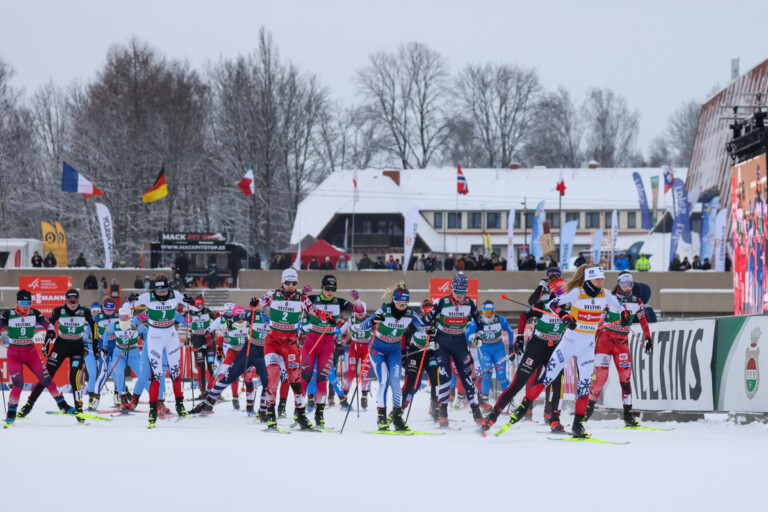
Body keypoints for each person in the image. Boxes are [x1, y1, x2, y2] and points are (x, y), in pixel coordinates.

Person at [486, 265, 629, 439]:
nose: (601, 282)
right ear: (590, 280)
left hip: (587, 346)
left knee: (583, 386)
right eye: (598, 279)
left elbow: (619, 305)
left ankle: (576, 424)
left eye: (602, 279)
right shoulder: (577, 292)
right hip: (565, 344)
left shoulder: (604, 294)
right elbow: (553, 304)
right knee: (545, 379)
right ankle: (521, 409)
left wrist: (624, 313)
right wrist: (564, 316)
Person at [482, 271, 569, 433]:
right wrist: (520, 338)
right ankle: (493, 416)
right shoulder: (544, 306)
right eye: (559, 292)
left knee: (557, 383)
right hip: (537, 346)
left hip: (555, 348)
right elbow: (523, 316)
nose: (563, 295)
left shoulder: (570, 308)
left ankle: (554, 419)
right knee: (518, 383)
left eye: (564, 292)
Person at [249, 268, 330, 430]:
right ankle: (270, 415)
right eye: (288, 283)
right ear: (282, 282)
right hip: (272, 342)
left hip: (290, 344)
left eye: (294, 283)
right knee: (273, 378)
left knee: (296, 380)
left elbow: (315, 310)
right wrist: (254, 303)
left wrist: (328, 317)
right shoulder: (273, 294)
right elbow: (259, 303)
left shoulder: (301, 299)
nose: (291, 286)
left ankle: (300, 415)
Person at [125, 274, 196, 428]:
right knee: (156, 376)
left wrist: (192, 303)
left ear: (168, 287)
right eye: (159, 289)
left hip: (171, 337)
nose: (162, 292)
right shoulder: (147, 297)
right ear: (154, 288)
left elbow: (194, 308)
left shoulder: (175, 295)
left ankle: (180, 406)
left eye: (165, 289)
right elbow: (126, 308)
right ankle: (152, 410)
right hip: (154, 339)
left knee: (175, 374)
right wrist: (129, 300)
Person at [16, 289, 97, 421]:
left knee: (74, 377)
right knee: (46, 377)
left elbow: (94, 326)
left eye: (75, 301)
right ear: (66, 301)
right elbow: (50, 325)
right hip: (61, 346)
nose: (73, 304)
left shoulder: (85, 311)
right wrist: (46, 343)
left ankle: (79, 409)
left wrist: (96, 344)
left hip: (77, 347)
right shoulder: (59, 310)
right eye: (70, 301)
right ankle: (28, 405)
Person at [586, 272, 653, 427]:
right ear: (619, 284)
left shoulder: (637, 301)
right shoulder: (609, 298)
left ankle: (628, 416)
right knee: (601, 379)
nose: (628, 287)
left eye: (630, 284)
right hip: (604, 342)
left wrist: (648, 339)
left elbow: (643, 321)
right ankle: (585, 414)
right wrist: (591, 341)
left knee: (626, 380)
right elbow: (599, 321)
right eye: (624, 284)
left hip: (622, 344)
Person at [1, 290, 76, 426]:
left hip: (31, 352)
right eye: (23, 303)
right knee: (18, 385)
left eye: (28, 303)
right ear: (17, 302)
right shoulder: (8, 314)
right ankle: (11, 412)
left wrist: (51, 330)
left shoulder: (34, 313)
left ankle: (63, 405)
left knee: (46, 379)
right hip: (14, 354)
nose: (25, 306)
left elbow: (47, 323)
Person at [358, 282, 425, 431]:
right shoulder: (385, 310)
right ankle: (381, 418)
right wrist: (375, 320)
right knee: (384, 381)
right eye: (399, 303)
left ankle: (396, 418)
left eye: (405, 304)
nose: (402, 307)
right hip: (377, 349)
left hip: (394, 351)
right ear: (394, 301)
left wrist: (431, 332)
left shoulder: (410, 314)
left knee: (395, 383)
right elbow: (363, 326)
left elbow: (424, 328)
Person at [422, 272, 486, 428]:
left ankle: (476, 412)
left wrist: (479, 336)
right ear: (451, 289)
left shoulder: (469, 303)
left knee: (467, 377)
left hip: (459, 342)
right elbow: (425, 321)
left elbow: (480, 323)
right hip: (442, 344)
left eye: (463, 292)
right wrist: (430, 333)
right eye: (457, 291)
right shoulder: (441, 303)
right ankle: (443, 412)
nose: (459, 295)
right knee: (445, 377)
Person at [300, 275, 362, 427]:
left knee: (322, 380)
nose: (330, 292)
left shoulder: (339, 302)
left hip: (328, 344)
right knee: (305, 378)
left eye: (333, 289)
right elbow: (296, 304)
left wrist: (357, 300)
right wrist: (302, 294)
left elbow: (359, 310)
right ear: (322, 288)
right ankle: (299, 413)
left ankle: (319, 415)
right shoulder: (313, 299)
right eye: (327, 288)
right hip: (311, 341)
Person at [190, 306, 271, 419]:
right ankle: (209, 401)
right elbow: (220, 339)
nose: (240, 321)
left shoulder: (249, 323)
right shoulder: (229, 324)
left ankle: (247, 405)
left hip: (246, 352)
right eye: (237, 317)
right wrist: (219, 353)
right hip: (230, 353)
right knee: (221, 375)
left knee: (249, 380)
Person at [465, 301, 515, 410]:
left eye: (491, 312)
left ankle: (508, 402)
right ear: (483, 312)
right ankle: (485, 404)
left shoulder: (500, 319)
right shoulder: (477, 322)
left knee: (502, 376)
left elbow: (511, 332)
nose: (489, 314)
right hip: (484, 350)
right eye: (486, 312)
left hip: (499, 350)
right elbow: (467, 334)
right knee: (487, 375)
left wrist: (511, 348)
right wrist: (468, 348)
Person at [401, 300, 440, 421]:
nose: (431, 318)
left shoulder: (438, 323)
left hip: (430, 354)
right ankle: (399, 409)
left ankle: (436, 408)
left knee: (435, 379)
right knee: (411, 384)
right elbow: (404, 336)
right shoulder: (417, 322)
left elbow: (445, 338)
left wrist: (438, 344)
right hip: (416, 353)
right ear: (423, 314)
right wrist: (403, 354)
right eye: (427, 314)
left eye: (432, 314)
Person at [102, 306, 143, 409]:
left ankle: (154, 400)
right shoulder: (115, 325)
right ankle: (123, 399)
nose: (123, 319)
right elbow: (106, 332)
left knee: (142, 376)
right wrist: (105, 346)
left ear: (130, 317)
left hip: (133, 354)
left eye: (125, 317)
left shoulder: (136, 325)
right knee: (119, 374)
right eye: (121, 317)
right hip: (119, 353)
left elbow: (146, 332)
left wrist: (146, 347)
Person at [86, 298, 117, 410]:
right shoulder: (94, 318)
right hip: (93, 349)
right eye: (107, 309)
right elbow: (86, 332)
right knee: (96, 374)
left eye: (111, 309)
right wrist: (84, 344)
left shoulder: (116, 317)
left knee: (115, 372)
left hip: (112, 347)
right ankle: (93, 398)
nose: (109, 311)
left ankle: (119, 395)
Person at [342, 302, 373, 409]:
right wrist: (336, 340)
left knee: (364, 373)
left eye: (363, 314)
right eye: (359, 315)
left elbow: (383, 325)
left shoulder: (370, 319)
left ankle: (364, 396)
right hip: (354, 348)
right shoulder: (351, 320)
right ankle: (344, 395)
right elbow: (339, 331)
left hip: (366, 349)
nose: (361, 317)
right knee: (352, 372)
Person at [188, 296, 215, 398]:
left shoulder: (207, 311)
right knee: (200, 367)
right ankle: (203, 392)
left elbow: (219, 320)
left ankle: (212, 391)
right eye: (197, 305)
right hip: (197, 342)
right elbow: (178, 320)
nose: (199, 307)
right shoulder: (190, 312)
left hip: (209, 342)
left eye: (201, 305)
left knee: (212, 367)